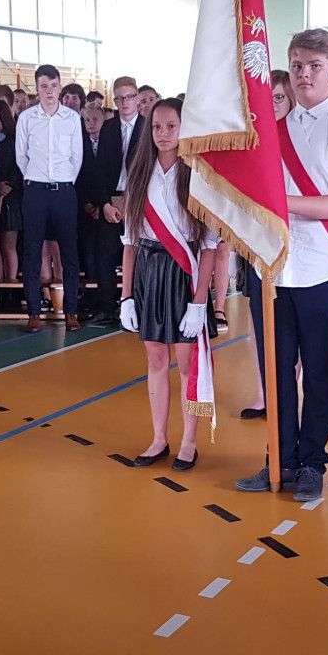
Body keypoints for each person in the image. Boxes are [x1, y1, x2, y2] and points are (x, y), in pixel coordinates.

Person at [237, 29, 328, 502]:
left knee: (316, 372)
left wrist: (280, 203)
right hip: (271, 268)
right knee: (275, 371)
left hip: (321, 268)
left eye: (315, 66)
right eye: (297, 66)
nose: (304, 75)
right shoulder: (269, 131)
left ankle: (312, 462)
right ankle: (280, 459)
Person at [119, 99, 218, 472]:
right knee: (156, 359)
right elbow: (130, 242)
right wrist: (127, 296)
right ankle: (159, 438)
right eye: (157, 127)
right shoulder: (139, 174)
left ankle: (189, 442)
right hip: (149, 272)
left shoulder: (198, 176)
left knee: (188, 363)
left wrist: (199, 301)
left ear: (183, 128)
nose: (163, 134)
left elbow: (208, 248)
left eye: (171, 126)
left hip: (184, 274)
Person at [238, 69, 299, 421]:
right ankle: (266, 393)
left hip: (295, 247)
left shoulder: (300, 139)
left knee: (291, 328)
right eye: (266, 98)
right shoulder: (254, 141)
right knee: (258, 321)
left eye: (278, 97)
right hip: (257, 245)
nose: (272, 104)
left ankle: (289, 392)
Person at [15, 64, 84, 332]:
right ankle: (34, 311)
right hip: (35, 191)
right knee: (32, 252)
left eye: (54, 86)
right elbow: (21, 157)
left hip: (64, 191)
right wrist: (37, 178)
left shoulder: (72, 118)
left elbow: (76, 157)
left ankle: (71, 311)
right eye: (44, 86)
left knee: (69, 253)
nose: (49, 91)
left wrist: (63, 181)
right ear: (37, 88)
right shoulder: (26, 118)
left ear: (60, 87)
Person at [97, 76, 146, 323]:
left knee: (138, 256)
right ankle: (107, 308)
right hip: (112, 200)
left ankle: (139, 307)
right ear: (114, 101)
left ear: (137, 98)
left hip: (139, 201)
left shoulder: (148, 127)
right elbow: (100, 169)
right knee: (105, 256)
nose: (125, 102)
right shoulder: (108, 128)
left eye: (129, 97)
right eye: (120, 98)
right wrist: (104, 203)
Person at [75, 103, 112, 318]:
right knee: (88, 252)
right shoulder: (79, 143)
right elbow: (77, 176)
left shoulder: (110, 143)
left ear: (104, 121)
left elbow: (108, 176)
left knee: (104, 255)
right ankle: (90, 297)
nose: (90, 123)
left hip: (106, 206)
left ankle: (107, 298)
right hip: (84, 208)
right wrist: (86, 203)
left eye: (95, 119)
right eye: (86, 120)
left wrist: (101, 204)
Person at [0, 99, 23, 286]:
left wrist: (1, 194)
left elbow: (18, 171)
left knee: (8, 247)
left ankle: (10, 288)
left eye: (0, 118)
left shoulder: (14, 141)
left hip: (11, 197)